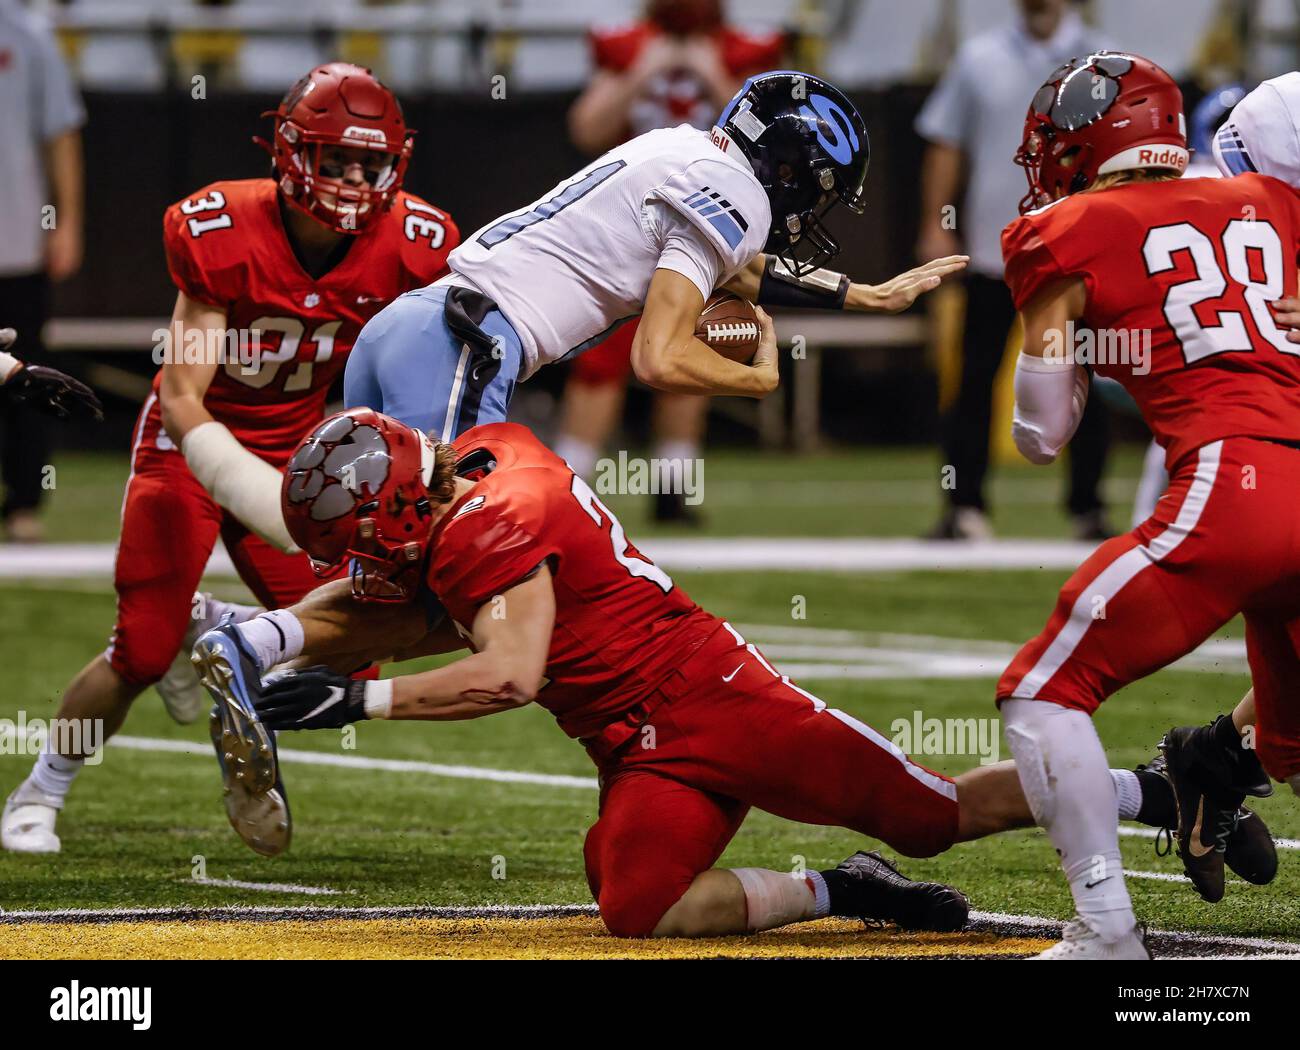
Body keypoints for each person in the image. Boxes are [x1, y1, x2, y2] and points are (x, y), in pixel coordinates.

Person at [190, 408, 1227, 944]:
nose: (366, 563)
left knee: (932, 812)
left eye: (371, 541)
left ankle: (1156, 786)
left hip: (712, 700)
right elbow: (428, 611)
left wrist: (354, 696)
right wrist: (286, 640)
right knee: (634, 903)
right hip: (635, 738)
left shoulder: (490, 526)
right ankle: (839, 891)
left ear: (412, 507)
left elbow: (506, 672)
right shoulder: (479, 470)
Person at [0, 63, 459, 855]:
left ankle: (213, 628)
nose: (353, 181)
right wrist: (261, 495)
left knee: (356, 642)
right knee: (141, 646)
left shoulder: (414, 244)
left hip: (301, 456)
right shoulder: (223, 230)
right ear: (288, 154)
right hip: (193, 441)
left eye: (369, 164)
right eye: (334, 160)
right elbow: (183, 394)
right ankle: (41, 789)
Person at [997, 52, 1300, 958]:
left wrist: (1075, 346)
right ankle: (1212, 774)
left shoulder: (1069, 229)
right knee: (1286, 744)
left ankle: (1106, 934)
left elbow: (1042, 434)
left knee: (1043, 693)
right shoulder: (1272, 207)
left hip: (1236, 485)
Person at [343, 70, 966, 445]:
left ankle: (292, 657)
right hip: (463, 347)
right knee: (460, 562)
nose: (810, 210)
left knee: (383, 567)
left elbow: (738, 269)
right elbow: (658, 356)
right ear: (789, 169)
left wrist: (866, 295)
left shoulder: (683, 147)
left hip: (408, 330)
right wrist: (755, 380)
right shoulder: (739, 193)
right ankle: (258, 647)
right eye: (817, 189)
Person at [554, 0, 784, 523]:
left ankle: (673, 486)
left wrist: (716, 76)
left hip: (707, 223)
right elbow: (586, 128)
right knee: (599, 357)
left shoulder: (737, 53)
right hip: (626, 222)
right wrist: (642, 73)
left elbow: (768, 139)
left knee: (697, 343)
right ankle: (564, 483)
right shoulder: (630, 49)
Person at [915, 0, 1112, 540]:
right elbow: (946, 143)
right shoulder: (978, 58)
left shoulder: (1102, 61)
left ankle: (1088, 505)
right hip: (993, 249)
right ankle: (964, 506)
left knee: (1084, 376)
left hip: (1074, 249)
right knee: (974, 379)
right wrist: (937, 221)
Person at [0, 0, 86, 542]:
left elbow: (61, 132)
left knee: (22, 377)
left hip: (16, 242)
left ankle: (24, 503)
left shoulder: (28, 33)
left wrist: (68, 221)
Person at [0, 327, 101, 422]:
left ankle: (95, 411)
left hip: (25, 373)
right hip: (15, 386)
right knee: (57, 405)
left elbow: (10, 334)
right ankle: (91, 418)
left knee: (69, 386)